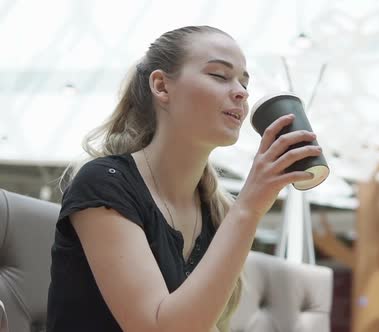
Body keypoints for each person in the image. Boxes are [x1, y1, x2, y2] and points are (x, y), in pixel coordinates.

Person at [46, 25, 321, 332]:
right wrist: (249, 208)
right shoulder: (104, 182)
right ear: (162, 86)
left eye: (244, 82)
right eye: (219, 75)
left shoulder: (214, 212)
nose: (242, 92)